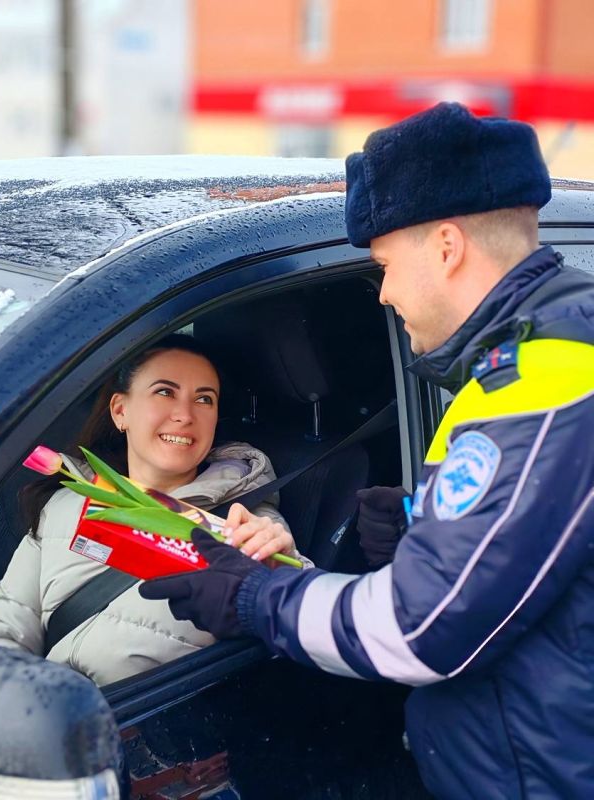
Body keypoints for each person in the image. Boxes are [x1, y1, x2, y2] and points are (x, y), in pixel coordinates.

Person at [139, 103, 594, 799]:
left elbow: (421, 631)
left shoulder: (545, 386)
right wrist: (423, 528)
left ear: (447, 246)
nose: (380, 292)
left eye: (383, 263)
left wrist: (254, 595)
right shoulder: (534, 363)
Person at [0, 334, 304, 686]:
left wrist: (282, 567)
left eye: (204, 399)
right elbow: (3, 632)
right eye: (165, 392)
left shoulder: (243, 522)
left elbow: (300, 614)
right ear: (120, 411)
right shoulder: (64, 504)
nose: (184, 414)